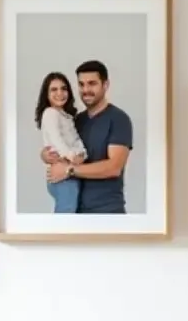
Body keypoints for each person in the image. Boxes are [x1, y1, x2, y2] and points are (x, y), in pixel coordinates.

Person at [42, 60, 132, 214]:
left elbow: (114, 167)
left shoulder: (118, 119)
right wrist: (45, 154)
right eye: (81, 84)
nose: (86, 89)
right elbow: (61, 144)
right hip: (75, 210)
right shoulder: (76, 120)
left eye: (92, 84)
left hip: (107, 212)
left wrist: (69, 170)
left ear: (105, 85)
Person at [34, 72, 86, 213]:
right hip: (62, 174)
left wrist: (82, 154)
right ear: (46, 94)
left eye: (64, 88)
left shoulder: (67, 116)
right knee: (66, 215)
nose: (60, 93)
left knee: (70, 213)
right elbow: (57, 140)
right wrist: (71, 156)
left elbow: (76, 140)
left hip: (70, 172)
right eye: (54, 89)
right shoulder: (50, 113)